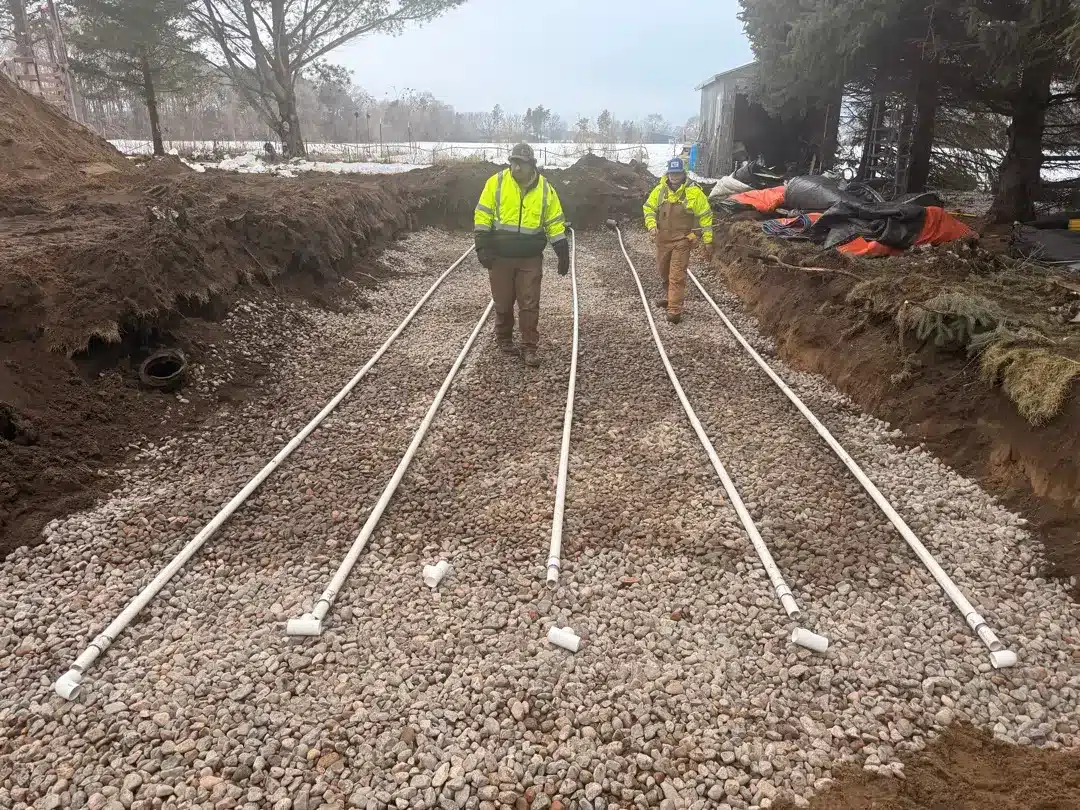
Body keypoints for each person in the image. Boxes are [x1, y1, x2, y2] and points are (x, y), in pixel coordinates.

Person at [474, 143, 570, 367]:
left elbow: (554, 221)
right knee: (503, 301)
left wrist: (561, 249)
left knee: (529, 302)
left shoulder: (545, 189)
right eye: (513, 162)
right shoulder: (496, 183)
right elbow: (483, 213)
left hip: (530, 257)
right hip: (500, 256)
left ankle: (529, 347)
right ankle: (504, 339)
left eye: (521, 163)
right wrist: (482, 244)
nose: (515, 167)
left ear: (531, 165)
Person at [643, 157, 714, 324]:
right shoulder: (660, 191)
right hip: (662, 240)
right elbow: (648, 208)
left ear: (684, 173)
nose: (674, 176)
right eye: (671, 173)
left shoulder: (694, 193)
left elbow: (705, 216)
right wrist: (652, 225)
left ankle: (674, 309)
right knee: (663, 271)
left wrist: (708, 240)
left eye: (677, 173)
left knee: (676, 275)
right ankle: (669, 298)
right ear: (668, 174)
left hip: (682, 240)